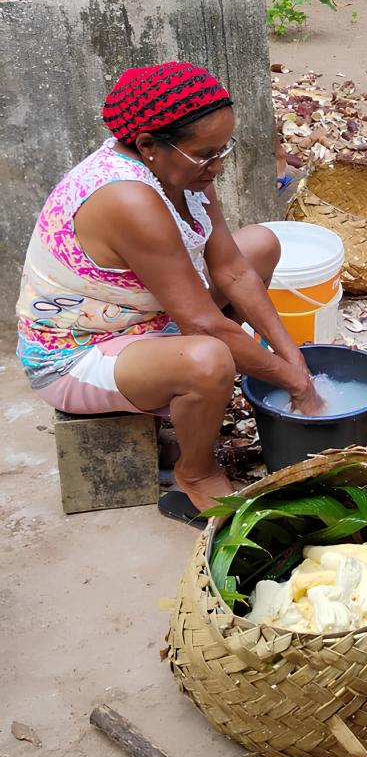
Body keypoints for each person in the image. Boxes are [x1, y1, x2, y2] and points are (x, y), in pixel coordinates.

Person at [17, 62, 323, 521]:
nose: (218, 166)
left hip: (144, 318)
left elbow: (233, 270)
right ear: (147, 146)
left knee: (260, 244)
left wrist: (292, 358)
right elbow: (202, 322)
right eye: (206, 155)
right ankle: (194, 471)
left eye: (224, 150)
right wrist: (293, 382)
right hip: (75, 353)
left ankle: (190, 391)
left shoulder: (183, 171)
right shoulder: (127, 198)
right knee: (209, 358)